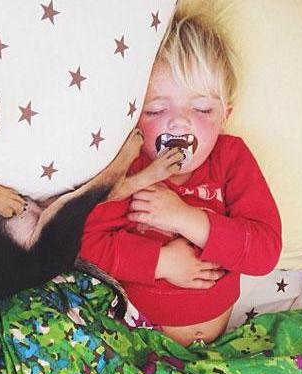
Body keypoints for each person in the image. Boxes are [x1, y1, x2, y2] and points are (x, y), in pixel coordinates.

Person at [79, 9, 282, 346]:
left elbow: (265, 251)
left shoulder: (231, 158)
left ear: (224, 116)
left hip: (218, 348)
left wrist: (185, 219)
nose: (179, 123)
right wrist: (161, 263)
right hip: (138, 344)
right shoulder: (129, 166)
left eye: (202, 109)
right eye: (157, 110)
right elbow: (88, 246)